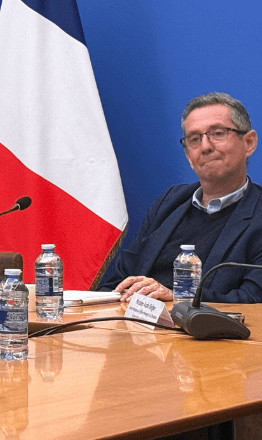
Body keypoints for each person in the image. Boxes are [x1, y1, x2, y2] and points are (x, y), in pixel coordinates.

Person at [99, 92, 260, 303]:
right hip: (133, 328)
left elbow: (254, 301)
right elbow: (120, 280)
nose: (205, 146)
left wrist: (179, 299)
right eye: (194, 139)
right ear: (187, 155)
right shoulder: (170, 201)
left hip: (209, 334)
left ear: (249, 143)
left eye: (218, 133)